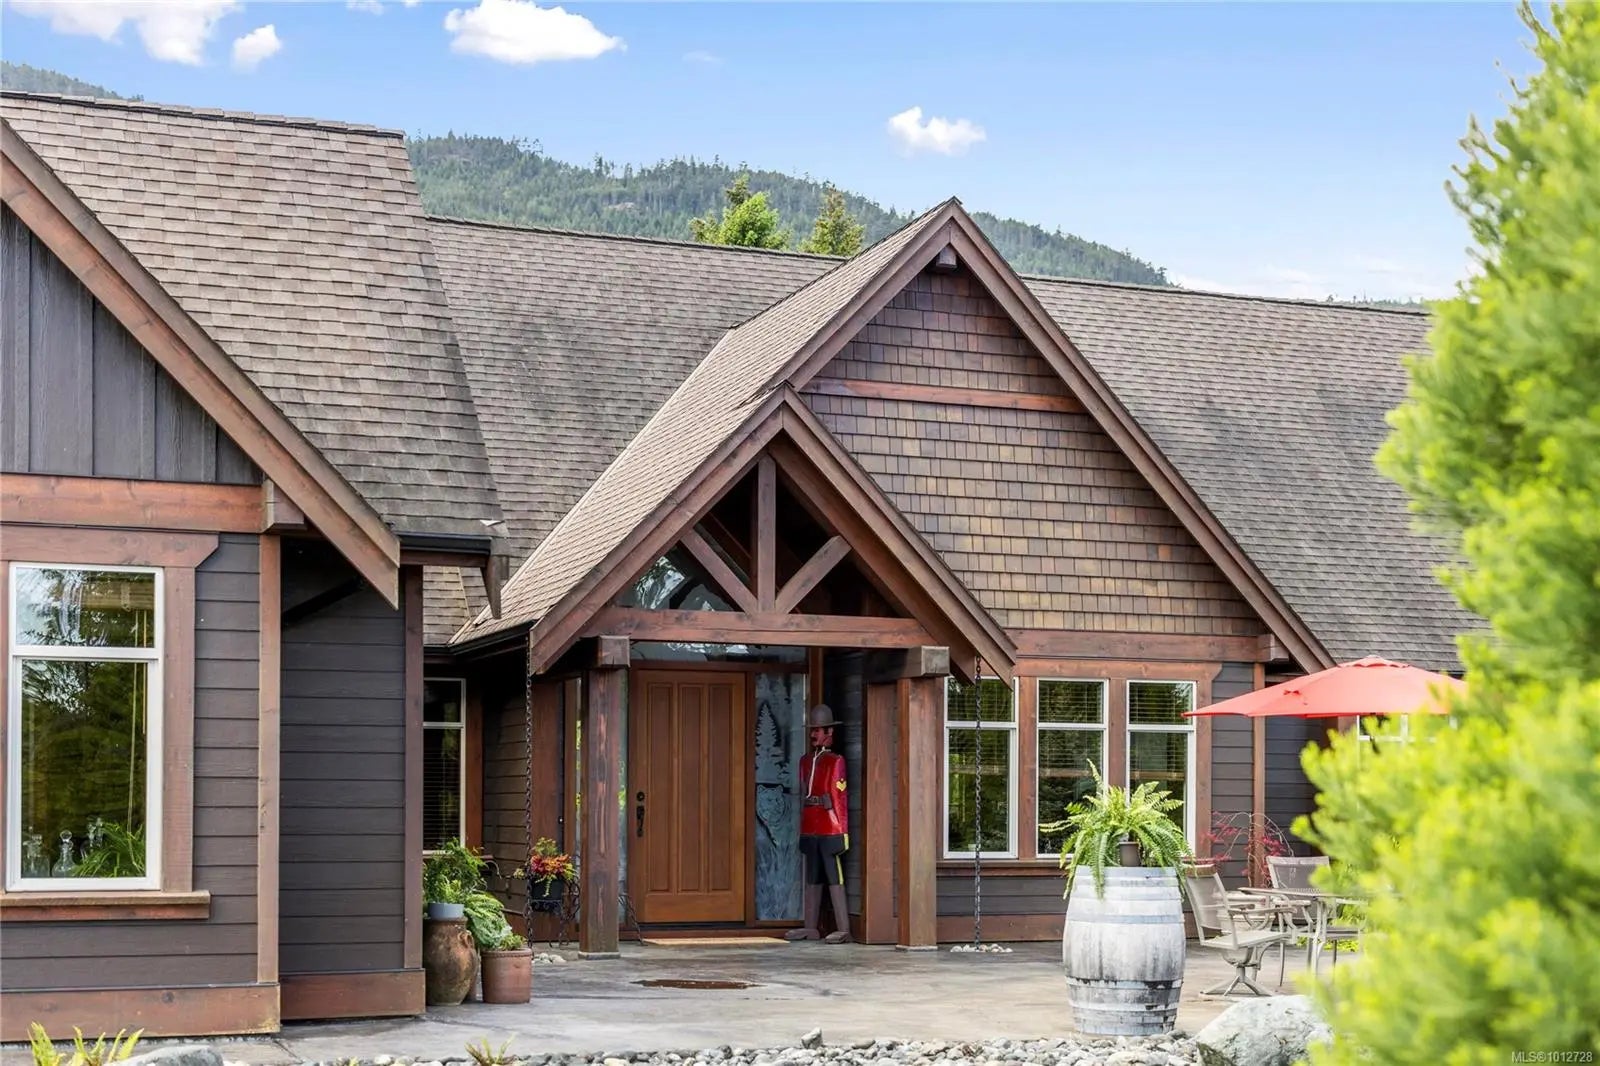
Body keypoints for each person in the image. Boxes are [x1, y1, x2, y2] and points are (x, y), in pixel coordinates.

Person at [785, 703, 852, 943]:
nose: (814, 734)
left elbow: (839, 798)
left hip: (829, 826)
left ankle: (844, 927)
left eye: (818, 730)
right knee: (812, 875)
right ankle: (810, 926)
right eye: (812, 730)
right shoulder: (804, 761)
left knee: (834, 875)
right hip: (811, 826)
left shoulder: (836, 761)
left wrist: (842, 830)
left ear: (829, 732)